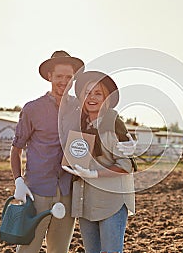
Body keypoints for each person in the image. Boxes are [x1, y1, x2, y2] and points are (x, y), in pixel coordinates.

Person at [10, 50, 84, 252]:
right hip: (37, 191)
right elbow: (16, 149)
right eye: (59, 76)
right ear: (49, 76)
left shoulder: (80, 108)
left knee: (59, 250)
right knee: (27, 249)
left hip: (67, 191)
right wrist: (18, 181)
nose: (64, 81)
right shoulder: (32, 109)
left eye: (69, 77)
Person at [62, 71, 136, 253]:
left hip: (111, 201)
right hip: (86, 201)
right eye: (88, 93)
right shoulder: (81, 124)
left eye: (98, 93)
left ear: (106, 98)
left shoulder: (113, 123)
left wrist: (95, 173)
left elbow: (126, 166)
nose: (92, 97)